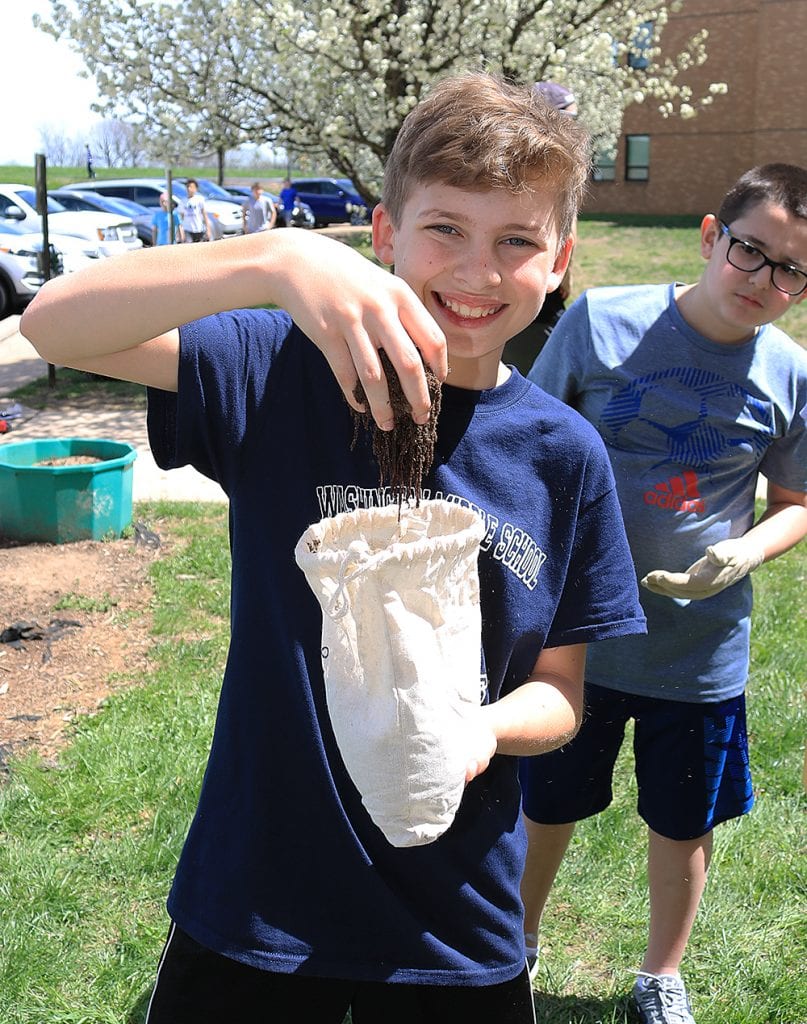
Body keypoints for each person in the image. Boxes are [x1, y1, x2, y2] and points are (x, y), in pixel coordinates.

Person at [20, 72, 647, 1024]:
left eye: (515, 241)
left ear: (558, 260)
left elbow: (561, 692)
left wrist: (479, 731)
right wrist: (274, 259)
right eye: (445, 229)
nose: (478, 272)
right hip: (260, 897)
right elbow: (52, 324)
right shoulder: (279, 375)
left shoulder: (564, 457)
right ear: (384, 236)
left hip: (456, 923)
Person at [520, 163, 807, 1023]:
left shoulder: (789, 375)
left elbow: (795, 504)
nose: (765, 282)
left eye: (791, 270)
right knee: (547, 804)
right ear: (711, 236)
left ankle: (660, 975)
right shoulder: (601, 324)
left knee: (683, 825)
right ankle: (514, 948)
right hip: (577, 634)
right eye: (751, 253)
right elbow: (526, 443)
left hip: (698, 650)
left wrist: (744, 551)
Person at [503, 81, 578, 375]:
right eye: (568, 121)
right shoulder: (525, 181)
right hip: (532, 316)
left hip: (550, 300)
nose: (574, 132)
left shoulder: (561, 174)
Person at [182, 178, 211, 242]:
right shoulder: (183, 201)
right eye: (188, 187)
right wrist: (181, 231)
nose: (189, 189)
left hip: (198, 229)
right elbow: (181, 217)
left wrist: (208, 230)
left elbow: (204, 215)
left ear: (196, 189)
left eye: (191, 187)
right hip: (187, 229)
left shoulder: (199, 199)